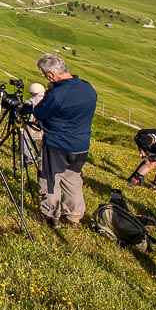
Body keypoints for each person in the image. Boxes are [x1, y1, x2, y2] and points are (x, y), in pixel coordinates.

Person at [31, 53, 97, 229]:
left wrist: (51, 92)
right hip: (81, 144)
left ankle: (50, 215)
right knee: (73, 179)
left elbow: (39, 113)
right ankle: (74, 216)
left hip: (58, 144)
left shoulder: (57, 94)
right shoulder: (87, 88)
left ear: (50, 75)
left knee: (50, 178)